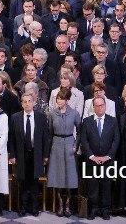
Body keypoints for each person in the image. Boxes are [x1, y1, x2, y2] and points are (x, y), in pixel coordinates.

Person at [79, 95, 120, 220]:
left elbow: (116, 140)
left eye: (101, 105)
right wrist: (92, 156)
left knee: (106, 185)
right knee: (92, 185)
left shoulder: (113, 120)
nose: (99, 107)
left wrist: (108, 156)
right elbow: (84, 140)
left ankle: (105, 210)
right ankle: (93, 209)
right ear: (93, 107)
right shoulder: (87, 121)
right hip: (91, 160)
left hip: (107, 160)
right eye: (97, 105)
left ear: (105, 106)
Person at [47, 88, 80, 217]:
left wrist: (76, 145)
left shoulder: (74, 113)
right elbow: (49, 132)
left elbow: (81, 130)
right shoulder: (52, 113)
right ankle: (60, 205)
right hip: (57, 143)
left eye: (61, 99)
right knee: (58, 176)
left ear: (67, 100)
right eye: (57, 99)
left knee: (69, 177)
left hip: (69, 142)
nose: (59, 101)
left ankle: (68, 206)